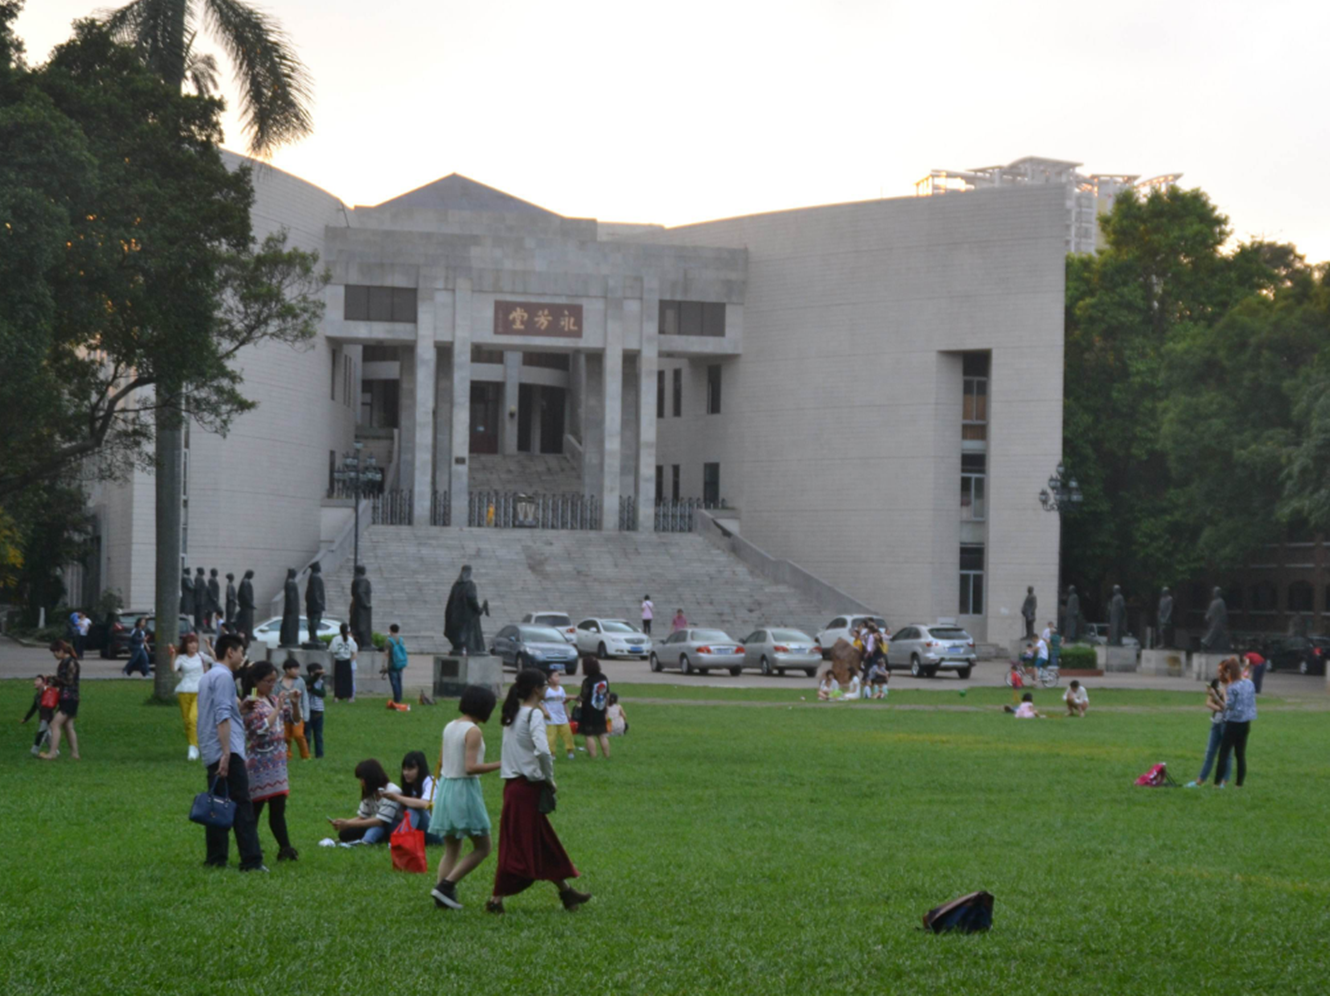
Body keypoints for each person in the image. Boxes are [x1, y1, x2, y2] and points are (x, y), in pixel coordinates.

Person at [487, 669, 589, 914]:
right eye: (544, 685)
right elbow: (543, 752)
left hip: (513, 788)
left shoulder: (514, 714)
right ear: (536, 689)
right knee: (518, 846)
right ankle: (495, 900)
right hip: (527, 788)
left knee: (542, 842)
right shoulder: (533, 715)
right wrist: (549, 779)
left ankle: (566, 892)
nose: (547, 688)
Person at [425, 686, 502, 910]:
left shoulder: (451, 725)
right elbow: (470, 767)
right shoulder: (473, 731)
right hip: (464, 789)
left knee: (452, 847)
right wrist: (503, 763)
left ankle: (442, 894)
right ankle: (446, 887)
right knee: (484, 847)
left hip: (447, 786)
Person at [197, 633, 265, 871]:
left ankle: (216, 858)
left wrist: (242, 708)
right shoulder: (224, 677)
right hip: (227, 750)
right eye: (241, 652)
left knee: (217, 804)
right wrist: (226, 753)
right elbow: (222, 716)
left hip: (210, 748)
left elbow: (224, 710)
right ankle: (252, 860)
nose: (242, 657)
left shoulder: (208, 676)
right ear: (230, 652)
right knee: (242, 805)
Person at [242, 662, 298, 861]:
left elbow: (295, 720)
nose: (272, 685)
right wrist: (279, 708)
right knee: (255, 809)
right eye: (268, 681)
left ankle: (286, 848)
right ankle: (251, 848)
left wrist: (295, 703)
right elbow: (260, 729)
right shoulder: (251, 702)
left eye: (275, 681)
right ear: (256, 681)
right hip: (259, 764)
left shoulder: (272, 699)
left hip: (277, 763)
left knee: (278, 808)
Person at [330, 759, 404, 843]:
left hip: (393, 825)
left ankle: (366, 841)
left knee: (377, 826)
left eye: (362, 779)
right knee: (344, 834)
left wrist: (348, 824)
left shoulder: (392, 791)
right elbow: (362, 817)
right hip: (378, 822)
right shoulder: (370, 793)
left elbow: (381, 821)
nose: (361, 783)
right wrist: (343, 824)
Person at [379, 751, 443, 843]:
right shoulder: (410, 785)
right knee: (387, 819)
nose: (406, 773)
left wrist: (397, 798)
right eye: (404, 769)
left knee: (415, 808)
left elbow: (425, 804)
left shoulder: (430, 781)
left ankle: (401, 841)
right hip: (418, 829)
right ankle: (367, 840)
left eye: (410, 769)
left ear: (420, 769)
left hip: (436, 833)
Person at [169, 633, 214, 761]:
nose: (193, 645)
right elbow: (173, 669)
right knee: (187, 722)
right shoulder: (182, 658)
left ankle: (194, 747)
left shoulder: (201, 656)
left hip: (199, 691)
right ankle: (193, 745)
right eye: (190, 643)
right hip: (184, 691)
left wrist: (209, 647)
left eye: (195, 642)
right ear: (186, 645)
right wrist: (173, 655)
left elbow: (215, 660)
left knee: (193, 718)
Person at [1215, 657, 1256, 788]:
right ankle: (1239, 784)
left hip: (1233, 723)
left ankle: (1216, 783)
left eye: (1225, 672)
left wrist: (1223, 693)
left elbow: (1229, 706)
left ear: (1229, 671)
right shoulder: (1249, 683)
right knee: (1240, 754)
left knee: (1224, 753)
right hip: (1246, 722)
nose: (1225, 675)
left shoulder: (1231, 687)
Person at [39, 640, 81, 760]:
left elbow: (69, 681)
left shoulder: (71, 663)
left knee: (55, 724)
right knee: (68, 725)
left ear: (61, 651)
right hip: (67, 698)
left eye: (55, 652)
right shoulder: (64, 662)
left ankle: (52, 753)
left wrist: (55, 678)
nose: (54, 655)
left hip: (70, 698)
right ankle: (75, 754)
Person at [1185, 679, 1231, 789]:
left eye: (1221, 670)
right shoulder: (1216, 682)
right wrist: (1220, 708)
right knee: (1210, 752)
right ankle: (1200, 781)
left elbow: (1229, 705)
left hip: (1227, 724)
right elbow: (1208, 702)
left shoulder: (1233, 685)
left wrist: (1224, 692)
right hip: (1216, 722)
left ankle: (1223, 783)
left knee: (1226, 754)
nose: (1219, 673)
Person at [577, 657, 611, 759]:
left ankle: (593, 756)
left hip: (589, 710)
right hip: (600, 708)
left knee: (589, 734)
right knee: (601, 734)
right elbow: (607, 694)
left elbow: (583, 696)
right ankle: (607, 755)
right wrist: (606, 707)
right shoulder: (603, 678)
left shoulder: (587, 681)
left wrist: (575, 698)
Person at [279, 657, 310, 760]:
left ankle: (305, 755)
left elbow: (304, 697)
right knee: (286, 736)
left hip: (297, 712)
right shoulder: (279, 682)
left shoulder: (300, 681)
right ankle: (287, 755)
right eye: (295, 669)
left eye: (298, 669)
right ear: (287, 670)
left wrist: (306, 714)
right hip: (283, 712)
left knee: (298, 735)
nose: (297, 671)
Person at [543, 666, 575, 760]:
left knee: (568, 736)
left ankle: (570, 752)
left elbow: (563, 702)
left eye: (558, 676)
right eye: (555, 676)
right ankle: (552, 754)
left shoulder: (561, 689)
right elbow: (540, 703)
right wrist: (545, 711)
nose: (558, 678)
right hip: (551, 719)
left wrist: (568, 713)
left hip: (562, 718)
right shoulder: (546, 691)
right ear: (549, 679)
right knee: (551, 738)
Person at [22, 675, 56, 756]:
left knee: (40, 733)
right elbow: (33, 709)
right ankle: (55, 751)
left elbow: (53, 685)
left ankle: (34, 750)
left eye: (37, 680)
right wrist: (25, 719)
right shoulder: (37, 696)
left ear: (43, 683)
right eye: (35, 680)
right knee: (47, 736)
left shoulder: (47, 692)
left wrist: (50, 678)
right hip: (43, 718)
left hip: (48, 718)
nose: (35, 682)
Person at [330, 623, 357, 702]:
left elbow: (333, 649)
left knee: (338, 679)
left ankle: (337, 697)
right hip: (347, 661)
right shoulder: (350, 639)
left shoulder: (336, 639)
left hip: (339, 661)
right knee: (348, 680)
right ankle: (349, 696)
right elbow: (353, 650)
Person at [306, 663, 327, 758]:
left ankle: (320, 754)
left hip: (319, 711)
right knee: (307, 735)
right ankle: (306, 753)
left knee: (318, 735)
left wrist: (313, 689)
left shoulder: (321, 682)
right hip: (309, 710)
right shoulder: (307, 681)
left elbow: (323, 694)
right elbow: (310, 683)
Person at [384, 623, 408, 704]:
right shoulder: (401, 640)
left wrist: (384, 665)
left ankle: (397, 699)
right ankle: (400, 697)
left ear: (390, 630)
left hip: (392, 664)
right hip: (400, 663)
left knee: (394, 683)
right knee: (399, 680)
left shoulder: (388, 641)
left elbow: (386, 654)